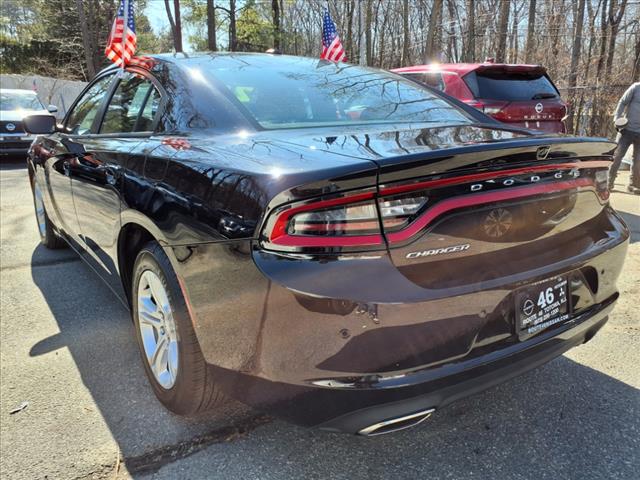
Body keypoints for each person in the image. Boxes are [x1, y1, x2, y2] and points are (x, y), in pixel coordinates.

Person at [610, 82, 640, 194]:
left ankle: (633, 185)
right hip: (626, 130)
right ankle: (609, 182)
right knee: (617, 156)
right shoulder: (636, 88)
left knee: (638, 161)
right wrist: (617, 119)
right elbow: (622, 102)